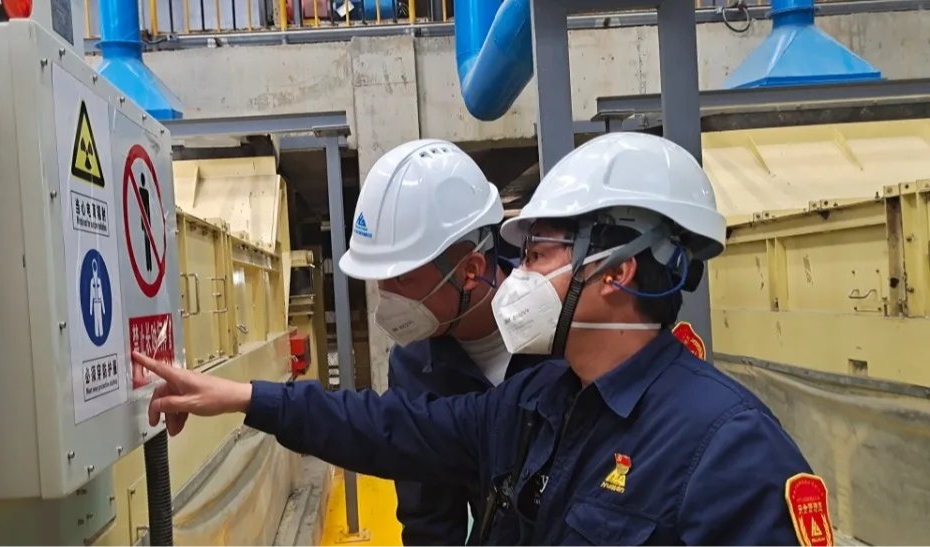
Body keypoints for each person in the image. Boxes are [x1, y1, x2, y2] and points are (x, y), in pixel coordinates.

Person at [134, 132, 833, 546]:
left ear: (617, 270)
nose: (517, 276)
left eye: (538, 255)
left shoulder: (730, 449)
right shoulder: (539, 400)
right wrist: (243, 397)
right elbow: (388, 429)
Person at [336, 139, 559, 545]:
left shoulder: (561, 334)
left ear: (470, 269)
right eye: (380, 280)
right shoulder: (412, 364)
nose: (387, 297)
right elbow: (430, 517)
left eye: (402, 278)